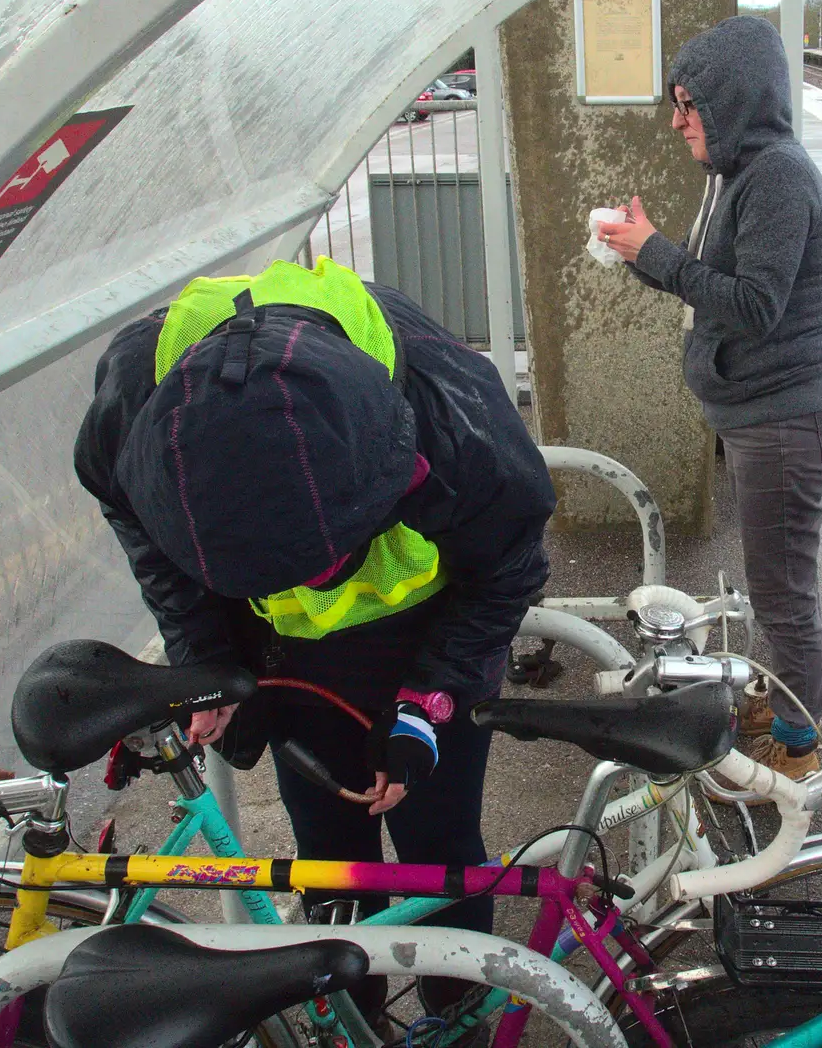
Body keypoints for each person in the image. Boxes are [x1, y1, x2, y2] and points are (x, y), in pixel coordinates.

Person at [75, 255, 556, 1024]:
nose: (310, 585)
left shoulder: (448, 409)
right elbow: (137, 523)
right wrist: (211, 657)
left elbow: (509, 563)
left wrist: (430, 703)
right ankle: (352, 1021)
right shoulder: (135, 399)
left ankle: (457, 1016)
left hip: (426, 627)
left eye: (322, 563)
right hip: (282, 654)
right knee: (330, 855)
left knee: (440, 851)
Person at [596, 15, 822, 783]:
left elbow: (755, 304)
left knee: (783, 601)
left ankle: (795, 760)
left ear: (731, 101)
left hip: (782, 427)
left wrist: (660, 254)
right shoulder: (746, 173)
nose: (677, 121)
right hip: (766, 422)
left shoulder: (775, 176)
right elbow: (716, 290)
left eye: (687, 103)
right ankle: (784, 721)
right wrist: (643, 251)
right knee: (779, 591)